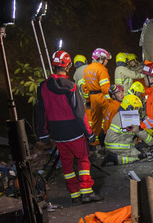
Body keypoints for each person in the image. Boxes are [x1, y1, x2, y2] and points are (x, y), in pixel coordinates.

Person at [33, 50, 104, 204]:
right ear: (68, 66)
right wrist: (89, 133)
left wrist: (43, 133)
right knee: (83, 159)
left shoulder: (42, 87)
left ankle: (74, 193)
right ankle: (86, 192)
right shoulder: (70, 86)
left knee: (66, 162)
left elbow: (40, 111)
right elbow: (79, 113)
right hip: (74, 130)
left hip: (57, 133)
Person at [102, 92, 153, 166]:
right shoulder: (129, 117)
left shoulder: (119, 114)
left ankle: (115, 155)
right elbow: (140, 132)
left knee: (133, 148)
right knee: (137, 156)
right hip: (116, 144)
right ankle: (116, 158)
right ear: (130, 107)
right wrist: (152, 142)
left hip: (110, 142)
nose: (137, 110)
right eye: (136, 108)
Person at [83, 48, 113, 148]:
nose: (107, 62)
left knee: (95, 121)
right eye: (106, 59)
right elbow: (105, 88)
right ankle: (107, 141)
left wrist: (88, 101)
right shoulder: (101, 69)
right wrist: (110, 100)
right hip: (102, 97)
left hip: (92, 99)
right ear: (101, 58)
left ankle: (93, 143)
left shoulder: (86, 69)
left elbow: (85, 87)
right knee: (107, 119)